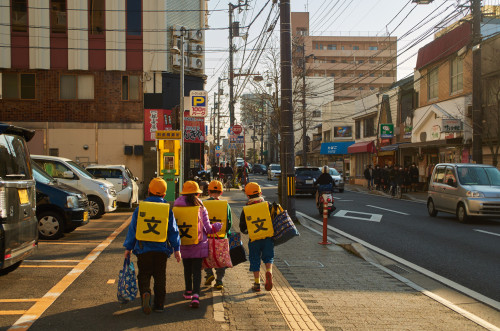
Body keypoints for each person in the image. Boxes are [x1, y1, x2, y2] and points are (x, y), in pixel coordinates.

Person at [123, 177, 181, 314]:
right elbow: (173, 231)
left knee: (144, 275)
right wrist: (176, 248)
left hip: (143, 249)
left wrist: (128, 247)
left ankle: (145, 293)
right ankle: (159, 304)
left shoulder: (140, 209)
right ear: (164, 194)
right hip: (161, 250)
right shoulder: (167, 210)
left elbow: (133, 230)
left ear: (149, 191)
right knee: (160, 277)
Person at [173, 181, 222, 308]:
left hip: (183, 243)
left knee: (187, 269)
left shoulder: (176, 206)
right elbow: (208, 228)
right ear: (196, 194)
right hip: (198, 243)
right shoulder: (200, 207)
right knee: (197, 271)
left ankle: (188, 291)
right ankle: (195, 295)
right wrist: (217, 226)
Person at [239, 182, 274, 292]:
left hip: (254, 239)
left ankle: (257, 283)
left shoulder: (246, 209)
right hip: (268, 237)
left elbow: (242, 227)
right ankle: (269, 271)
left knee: (254, 259)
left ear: (247, 195)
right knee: (268, 257)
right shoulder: (268, 205)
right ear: (260, 193)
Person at [203, 180, 232, 290]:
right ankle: (219, 280)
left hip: (207, 237)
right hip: (221, 237)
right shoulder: (225, 205)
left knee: (206, 257)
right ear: (221, 193)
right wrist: (226, 232)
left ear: (209, 191)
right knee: (221, 260)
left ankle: (209, 274)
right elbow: (229, 222)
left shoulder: (204, 204)